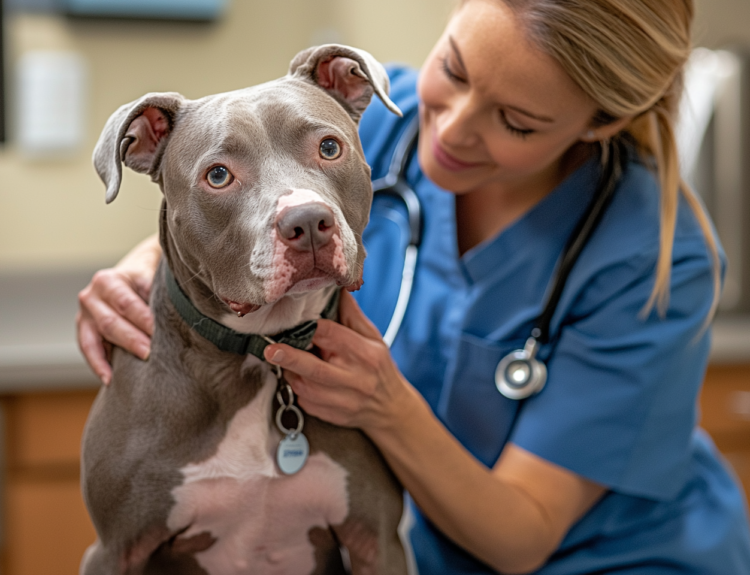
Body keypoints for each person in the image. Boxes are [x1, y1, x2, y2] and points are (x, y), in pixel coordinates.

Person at [77, 0, 750, 573]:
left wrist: (385, 405)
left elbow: (523, 533)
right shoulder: (374, 120)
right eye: (454, 68)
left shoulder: (654, 257)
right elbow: (239, 175)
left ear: (598, 123)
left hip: (621, 557)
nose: (452, 128)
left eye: (516, 121)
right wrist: (151, 264)